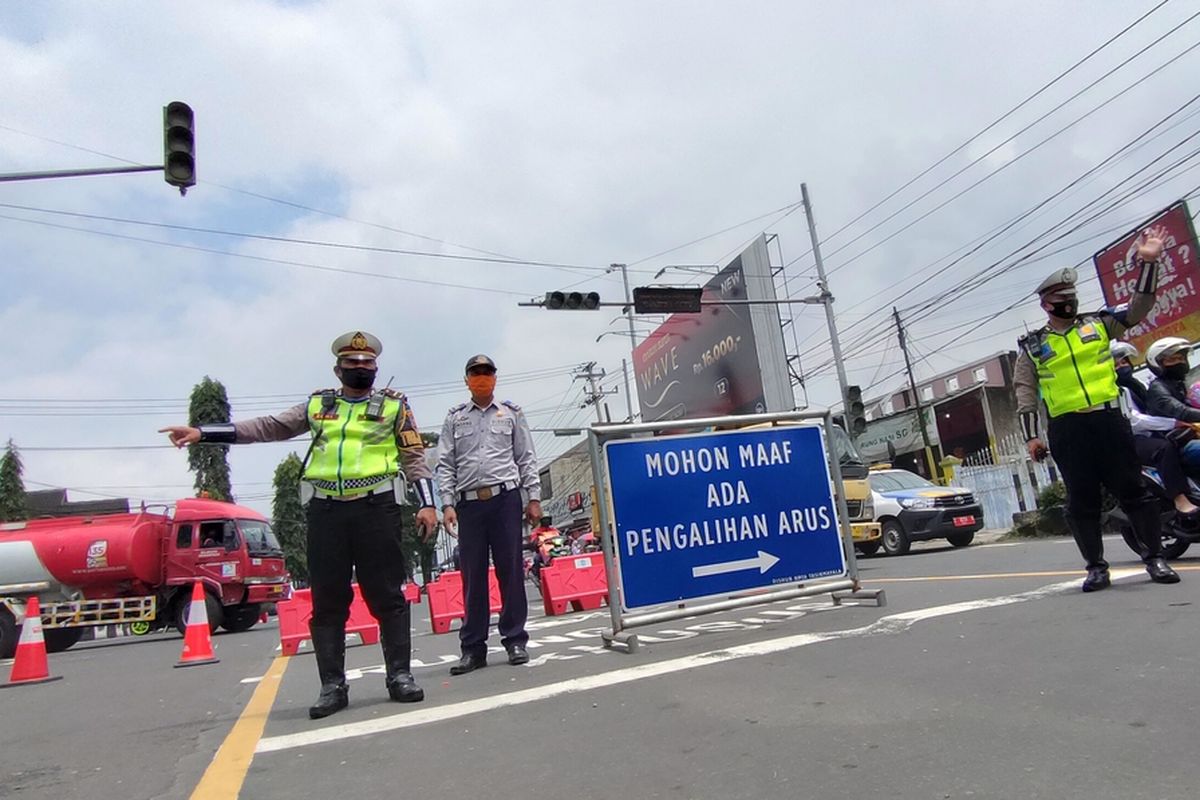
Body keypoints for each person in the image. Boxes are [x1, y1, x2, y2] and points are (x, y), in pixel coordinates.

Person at [159, 331, 438, 719]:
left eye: (367, 364)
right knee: (327, 602)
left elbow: (414, 454)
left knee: (387, 595)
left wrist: (429, 505)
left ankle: (400, 676)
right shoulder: (318, 405)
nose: (360, 369)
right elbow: (270, 426)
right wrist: (204, 433)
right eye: (352, 364)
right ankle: (332, 686)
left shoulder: (394, 407)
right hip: (326, 513)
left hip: (378, 509)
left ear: (376, 368)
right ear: (337, 368)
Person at [1014, 226, 1179, 591]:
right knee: (1081, 501)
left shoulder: (1100, 324)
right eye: (1060, 298)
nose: (1068, 302)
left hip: (1108, 421)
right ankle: (1096, 568)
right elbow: (1025, 391)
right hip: (1068, 431)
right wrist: (1032, 438)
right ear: (1046, 304)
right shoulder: (1033, 346)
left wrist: (1148, 263)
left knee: (1134, 490)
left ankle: (1155, 558)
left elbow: (1140, 308)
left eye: (1071, 295)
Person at [436, 354, 541, 674]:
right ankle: (473, 648)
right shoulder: (454, 418)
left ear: (495, 378)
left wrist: (533, 497)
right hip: (468, 505)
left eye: (487, 373)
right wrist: (447, 503)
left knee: (510, 570)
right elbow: (445, 464)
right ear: (466, 380)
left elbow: (526, 457)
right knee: (473, 575)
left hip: (505, 499)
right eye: (475, 373)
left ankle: (515, 640)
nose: (482, 377)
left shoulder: (511, 414)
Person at [1111, 340, 1200, 518]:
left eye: (1124, 362)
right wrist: (1173, 423)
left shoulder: (1140, 385)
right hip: (1129, 439)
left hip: (1154, 433)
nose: (1122, 367)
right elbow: (1134, 420)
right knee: (1164, 449)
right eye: (1116, 365)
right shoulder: (1113, 391)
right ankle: (1180, 498)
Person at [1144, 337, 1200, 472]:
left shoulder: (1180, 384)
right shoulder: (1158, 388)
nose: (1179, 362)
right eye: (1172, 360)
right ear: (1159, 364)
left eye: (1181, 358)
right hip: (1180, 444)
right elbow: (1182, 412)